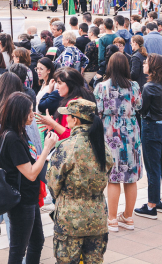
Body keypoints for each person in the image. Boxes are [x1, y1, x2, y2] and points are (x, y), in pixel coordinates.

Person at [45, 98, 112, 264]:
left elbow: (53, 183)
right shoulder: (102, 145)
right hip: (97, 218)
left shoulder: (67, 146)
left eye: (68, 115)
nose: (66, 119)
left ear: (75, 119)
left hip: (70, 221)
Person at [0, 92, 50, 264]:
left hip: (28, 196)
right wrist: (47, 148)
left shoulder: (20, 132)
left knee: (37, 241)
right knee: (19, 249)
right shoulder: (12, 137)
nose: (32, 115)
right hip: (21, 200)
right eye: (30, 111)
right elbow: (31, 172)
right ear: (19, 112)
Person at [94, 52, 142, 231]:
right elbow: (138, 106)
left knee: (113, 177)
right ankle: (128, 217)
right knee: (131, 178)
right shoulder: (134, 86)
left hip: (110, 131)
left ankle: (112, 219)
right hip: (130, 132)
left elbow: (97, 110)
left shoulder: (102, 87)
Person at [135, 54, 162, 219]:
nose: (144, 64)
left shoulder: (149, 87)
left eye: (146, 62)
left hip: (151, 127)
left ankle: (151, 206)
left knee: (153, 168)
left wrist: (136, 106)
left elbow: (143, 110)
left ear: (152, 67)